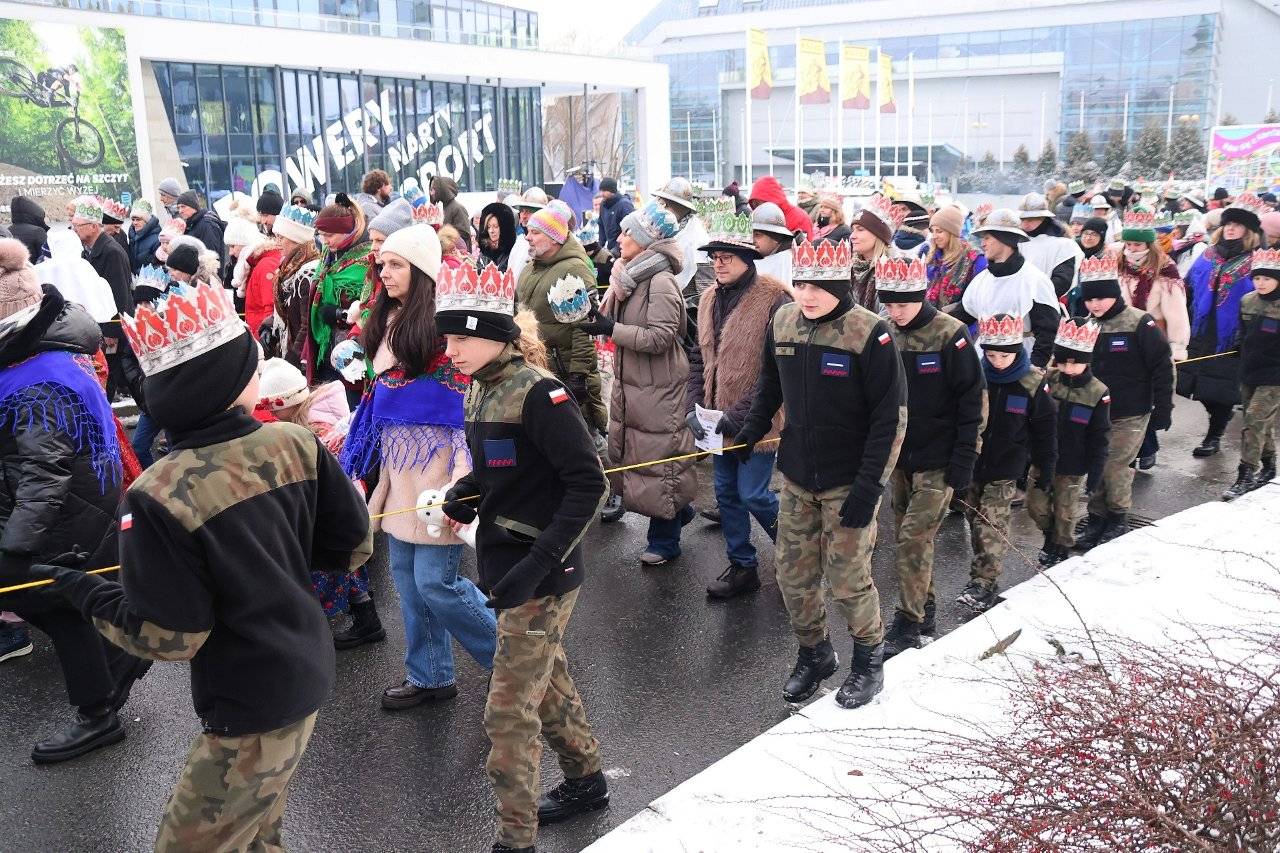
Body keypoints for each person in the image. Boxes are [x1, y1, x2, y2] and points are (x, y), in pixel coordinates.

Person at [34, 278, 371, 850]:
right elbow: (353, 545)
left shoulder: (158, 491)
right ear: (234, 384)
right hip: (305, 665)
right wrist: (276, 557)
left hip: (247, 698)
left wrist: (84, 591)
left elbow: (170, 637)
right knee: (257, 833)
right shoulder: (294, 443)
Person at [435, 258, 609, 853]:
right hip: (503, 560)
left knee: (508, 714)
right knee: (548, 679)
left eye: (461, 339)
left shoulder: (540, 394)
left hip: (542, 571)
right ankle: (587, 781)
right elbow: (503, 470)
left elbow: (588, 483)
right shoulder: (480, 387)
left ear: (495, 336)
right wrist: (467, 491)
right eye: (447, 340)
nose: (450, 352)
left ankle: (516, 839)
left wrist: (538, 565)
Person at [736, 238, 906, 707]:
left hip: (849, 480)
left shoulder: (870, 333)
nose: (807, 295)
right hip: (797, 475)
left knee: (848, 578)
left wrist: (869, 488)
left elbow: (889, 420)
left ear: (841, 287)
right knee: (792, 575)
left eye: (818, 287)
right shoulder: (784, 321)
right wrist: (751, 429)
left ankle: (868, 660)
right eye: (801, 285)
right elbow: (770, 383)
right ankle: (815, 653)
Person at [0, 239, 150, 764]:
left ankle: (99, 712)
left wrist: (15, 547)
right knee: (64, 606)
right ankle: (117, 665)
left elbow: (44, 473)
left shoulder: (36, 381)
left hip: (64, 515)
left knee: (54, 604)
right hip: (71, 507)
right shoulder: (39, 355)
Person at [340, 223, 496, 708]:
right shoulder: (388, 319)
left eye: (396, 264)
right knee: (409, 584)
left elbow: (463, 416)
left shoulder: (445, 334)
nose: (384, 272)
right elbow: (379, 402)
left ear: (422, 270)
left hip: (439, 474)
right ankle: (430, 675)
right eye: (382, 263)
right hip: (399, 472)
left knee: (436, 582)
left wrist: (461, 484)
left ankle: (515, 662)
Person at [579, 202, 697, 565]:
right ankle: (678, 511)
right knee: (642, 457)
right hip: (636, 382)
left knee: (661, 459)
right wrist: (597, 319)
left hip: (660, 385)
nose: (619, 237)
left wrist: (612, 329)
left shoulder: (660, 281)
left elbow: (661, 337)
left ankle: (665, 540)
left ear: (646, 239)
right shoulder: (628, 275)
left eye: (627, 232)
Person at [878, 256, 985, 657]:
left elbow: (972, 399)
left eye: (903, 304)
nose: (896, 312)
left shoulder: (949, 333)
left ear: (921, 297)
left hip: (939, 458)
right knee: (911, 541)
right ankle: (925, 610)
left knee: (913, 538)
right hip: (900, 457)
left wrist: (965, 457)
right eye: (889, 304)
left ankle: (908, 620)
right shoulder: (885, 332)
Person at [688, 212, 791, 598]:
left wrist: (737, 416)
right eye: (714, 257)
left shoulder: (775, 300)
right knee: (727, 494)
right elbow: (699, 358)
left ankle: (797, 553)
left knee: (753, 494)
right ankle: (743, 566)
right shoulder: (708, 299)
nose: (718, 263)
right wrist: (693, 407)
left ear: (748, 260)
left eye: (726, 257)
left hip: (760, 421)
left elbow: (775, 371)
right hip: (716, 421)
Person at [1073, 255, 1173, 551]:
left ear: (1114, 294)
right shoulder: (1086, 326)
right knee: (1097, 464)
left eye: (1101, 298)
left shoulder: (1140, 322)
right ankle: (1096, 517)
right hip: (1096, 411)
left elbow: (1162, 367)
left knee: (1114, 466)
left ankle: (1117, 517)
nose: (1095, 305)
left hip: (1130, 410)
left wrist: (1163, 407)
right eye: (1090, 299)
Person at [959, 314, 1056, 612]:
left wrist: (1045, 467)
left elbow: (1045, 430)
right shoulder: (976, 376)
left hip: (1006, 466)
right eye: (991, 355)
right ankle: (981, 571)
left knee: (991, 523)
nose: (998, 362)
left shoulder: (1032, 383)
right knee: (974, 518)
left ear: (1017, 352)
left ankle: (984, 581)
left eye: (1005, 355)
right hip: (974, 463)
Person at [1179, 194, 1264, 458]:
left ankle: (1214, 435)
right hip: (1201, 329)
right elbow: (1188, 286)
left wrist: (1250, 334)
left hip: (1232, 334)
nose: (1231, 228)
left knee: (1222, 390)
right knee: (1195, 386)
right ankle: (1219, 420)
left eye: (1238, 225)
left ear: (1248, 231)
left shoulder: (1255, 261)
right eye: (1228, 223)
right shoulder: (1208, 254)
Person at [516, 201, 609, 438]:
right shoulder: (529, 269)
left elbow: (584, 328)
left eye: (535, 232)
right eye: (528, 231)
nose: (528, 237)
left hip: (565, 373)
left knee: (583, 440)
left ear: (554, 238)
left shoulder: (574, 269)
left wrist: (578, 376)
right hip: (537, 369)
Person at [1029, 318, 1111, 566]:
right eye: (1063, 362)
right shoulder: (1048, 380)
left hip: (1073, 464)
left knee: (1065, 511)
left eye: (1075, 363)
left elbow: (1100, 436)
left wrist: (1095, 471)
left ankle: (1061, 546)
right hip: (1043, 458)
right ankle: (1049, 535)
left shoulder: (1098, 392)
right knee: (1036, 506)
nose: (1068, 368)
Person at [1115, 209, 1189, 470]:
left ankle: (1147, 446)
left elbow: (1176, 312)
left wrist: (1176, 345)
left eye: (1137, 244)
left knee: (1143, 394)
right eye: (1128, 243)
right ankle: (1129, 448)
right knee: (1122, 393)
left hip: (1151, 336)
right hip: (1120, 334)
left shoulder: (1165, 269)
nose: (1132, 249)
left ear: (1148, 243)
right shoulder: (1118, 262)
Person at [954, 209, 1060, 367]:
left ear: (1004, 239)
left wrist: (1035, 368)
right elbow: (961, 315)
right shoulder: (981, 280)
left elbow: (1047, 331)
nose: (982, 243)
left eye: (987, 238)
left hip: (1022, 359)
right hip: (986, 359)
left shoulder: (1034, 280)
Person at [1222, 248, 1280, 499]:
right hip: (1250, 370)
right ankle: (1269, 464)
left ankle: (1246, 473)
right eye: (1257, 278)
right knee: (1258, 421)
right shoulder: (1248, 300)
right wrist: (1238, 345)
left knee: (1255, 419)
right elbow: (1243, 330)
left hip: (1275, 374)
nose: (1261, 283)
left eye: (1267, 278)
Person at [310, 193, 371, 393]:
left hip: (354, 350)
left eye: (329, 235)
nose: (324, 241)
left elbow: (371, 303)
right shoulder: (328, 255)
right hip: (325, 344)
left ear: (347, 231)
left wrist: (339, 313)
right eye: (321, 235)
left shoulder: (367, 259)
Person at [270, 205, 321, 370]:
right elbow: (288, 310)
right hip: (291, 346)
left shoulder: (308, 271)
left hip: (303, 358)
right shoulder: (288, 267)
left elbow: (307, 325)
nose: (277, 243)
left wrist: (293, 358)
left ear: (296, 239)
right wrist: (268, 323)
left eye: (281, 237)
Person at [34, 228, 118, 325]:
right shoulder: (85, 267)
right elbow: (105, 306)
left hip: (50, 328)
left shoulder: (39, 270)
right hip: (87, 327)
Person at [1017, 193, 1084, 299]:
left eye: (1030, 219)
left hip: (1047, 301)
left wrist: (1034, 296)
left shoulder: (1064, 244)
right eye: (1022, 219)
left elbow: (1063, 280)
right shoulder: (1015, 242)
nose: (1025, 224)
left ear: (1043, 218)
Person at [652, 177, 709, 294]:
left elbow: (705, 286)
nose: (663, 210)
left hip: (687, 298)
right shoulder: (665, 230)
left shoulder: (697, 237)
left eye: (667, 205)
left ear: (681, 207)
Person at [848, 195, 905, 311]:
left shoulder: (893, 271)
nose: (852, 236)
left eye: (860, 230)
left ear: (878, 235)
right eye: (853, 230)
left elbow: (890, 315)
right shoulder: (850, 268)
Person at [925, 204, 986, 309]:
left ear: (952, 232)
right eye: (932, 231)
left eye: (939, 231)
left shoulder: (975, 260)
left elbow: (977, 298)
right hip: (932, 316)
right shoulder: (933, 258)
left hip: (961, 317)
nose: (934, 236)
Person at [748, 175, 815, 241]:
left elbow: (804, 245)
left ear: (773, 200)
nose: (759, 208)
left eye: (761, 203)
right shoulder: (762, 218)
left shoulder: (799, 218)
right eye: (755, 204)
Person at [174, 190, 226, 266]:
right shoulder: (192, 224)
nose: (180, 211)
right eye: (178, 208)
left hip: (207, 271)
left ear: (193, 206)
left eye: (183, 207)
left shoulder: (207, 224)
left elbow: (211, 256)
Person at [478, 200, 528, 277]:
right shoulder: (485, 250)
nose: (491, 231)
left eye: (495, 227)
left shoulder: (513, 249)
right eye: (488, 227)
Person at [751, 202, 795, 287]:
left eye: (758, 235)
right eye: (751, 235)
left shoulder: (787, 260)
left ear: (775, 238)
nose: (752, 240)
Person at [430, 176, 473, 251]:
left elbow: (465, 236)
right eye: (431, 189)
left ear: (442, 190)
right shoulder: (445, 207)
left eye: (434, 189)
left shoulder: (457, 208)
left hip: (458, 253)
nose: (431, 193)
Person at [597, 177, 635, 257]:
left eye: (604, 191)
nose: (602, 194)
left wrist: (617, 248)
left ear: (612, 190)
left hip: (624, 249)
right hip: (611, 248)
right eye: (601, 191)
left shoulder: (624, 205)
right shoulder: (603, 205)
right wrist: (599, 246)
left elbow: (630, 229)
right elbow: (601, 225)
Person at [9, 195, 48, 264]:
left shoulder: (7, 231)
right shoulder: (38, 231)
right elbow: (46, 257)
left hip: (11, 269)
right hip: (33, 269)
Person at [127, 200, 161, 273]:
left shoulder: (158, 239)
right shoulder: (132, 236)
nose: (135, 223)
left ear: (147, 221)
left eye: (138, 220)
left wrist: (142, 273)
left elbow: (159, 266)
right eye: (133, 219)